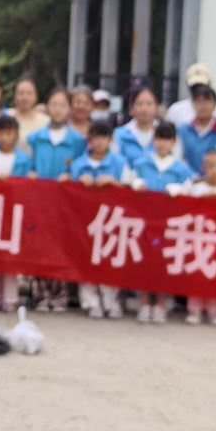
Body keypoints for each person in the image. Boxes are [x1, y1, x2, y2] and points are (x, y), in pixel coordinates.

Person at [29, 86, 86, 312]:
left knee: (61, 247)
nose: (58, 109)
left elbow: (81, 166)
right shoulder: (36, 138)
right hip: (40, 199)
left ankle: (60, 294)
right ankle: (41, 294)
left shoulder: (77, 140)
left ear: (69, 108)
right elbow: (31, 164)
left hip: (64, 202)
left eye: (63, 105)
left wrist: (71, 176)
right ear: (47, 107)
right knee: (39, 244)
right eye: (54, 104)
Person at [130, 123, 193, 323]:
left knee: (164, 264)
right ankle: (145, 302)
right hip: (145, 222)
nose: (162, 143)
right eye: (159, 138)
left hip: (168, 224)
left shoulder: (181, 168)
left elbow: (188, 188)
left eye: (167, 139)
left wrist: (178, 189)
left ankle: (160, 304)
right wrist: (137, 184)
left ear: (173, 142)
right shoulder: (141, 162)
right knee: (144, 263)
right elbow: (130, 180)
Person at [70, 123, 126, 319]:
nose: (99, 142)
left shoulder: (120, 162)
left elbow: (130, 190)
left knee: (109, 260)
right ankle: (91, 301)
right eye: (96, 137)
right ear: (89, 140)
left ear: (110, 140)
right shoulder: (78, 164)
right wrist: (78, 183)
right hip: (84, 221)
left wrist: (113, 183)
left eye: (104, 137)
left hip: (111, 221)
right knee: (86, 260)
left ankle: (111, 301)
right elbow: (67, 193)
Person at [0, 114, 31, 312]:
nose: (5, 137)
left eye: (9, 133)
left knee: (10, 254)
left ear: (16, 135)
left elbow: (28, 184)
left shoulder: (24, 160)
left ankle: (10, 297)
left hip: (14, 211)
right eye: (1, 133)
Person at [183, 151, 216, 326]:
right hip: (198, 239)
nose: (215, 170)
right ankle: (194, 309)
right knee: (196, 275)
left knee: (215, 276)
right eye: (211, 166)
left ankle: (215, 310)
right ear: (203, 168)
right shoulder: (196, 188)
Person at [177, 84, 216, 172]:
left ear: (215, 105)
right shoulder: (183, 130)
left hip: (213, 179)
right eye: (199, 101)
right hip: (186, 178)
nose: (203, 106)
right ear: (193, 105)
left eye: (207, 101)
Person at [112, 85, 161, 167]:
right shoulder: (119, 134)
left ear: (156, 107)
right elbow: (114, 162)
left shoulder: (166, 133)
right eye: (140, 104)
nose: (144, 109)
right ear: (131, 109)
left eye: (149, 104)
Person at [10, 76, 48, 143]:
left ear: (36, 97)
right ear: (14, 97)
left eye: (29, 93)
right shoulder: (7, 116)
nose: (25, 97)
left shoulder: (45, 121)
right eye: (21, 93)